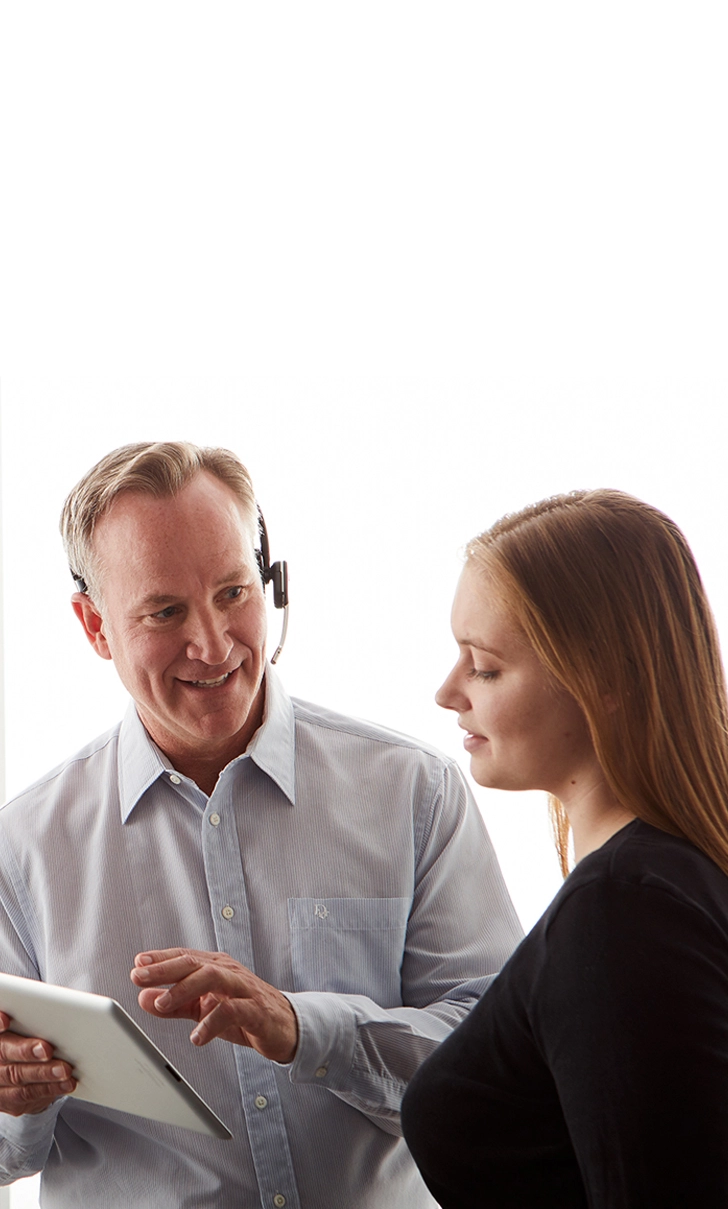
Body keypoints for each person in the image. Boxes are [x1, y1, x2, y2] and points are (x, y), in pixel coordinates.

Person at [0, 442, 522, 1208]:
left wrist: (305, 1028)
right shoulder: (21, 851)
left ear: (272, 580)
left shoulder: (414, 790)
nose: (212, 643)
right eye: (165, 611)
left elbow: (503, 1068)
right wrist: (14, 1097)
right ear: (94, 625)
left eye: (234, 591)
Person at [401, 488, 728, 1208]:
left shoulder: (626, 914)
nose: (447, 691)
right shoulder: (678, 887)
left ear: (605, 678)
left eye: (485, 666)